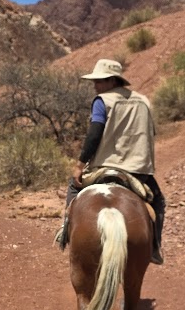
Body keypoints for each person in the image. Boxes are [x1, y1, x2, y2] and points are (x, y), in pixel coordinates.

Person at [57, 58, 165, 264]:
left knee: (73, 186)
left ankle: (66, 233)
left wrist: (80, 165)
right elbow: (150, 133)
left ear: (113, 81)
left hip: (104, 166)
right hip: (137, 170)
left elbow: (94, 133)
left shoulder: (102, 101)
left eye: (100, 81)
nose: (95, 85)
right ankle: (155, 247)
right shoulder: (143, 101)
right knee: (158, 202)